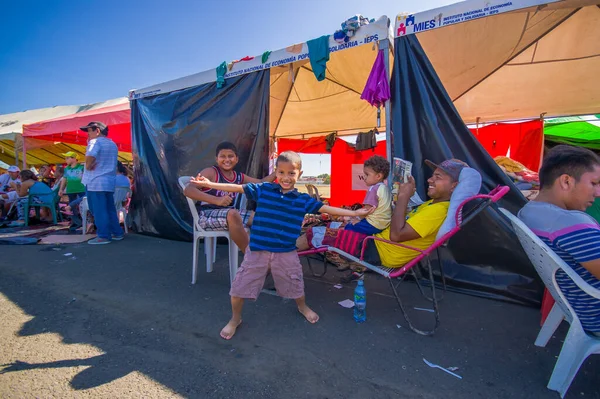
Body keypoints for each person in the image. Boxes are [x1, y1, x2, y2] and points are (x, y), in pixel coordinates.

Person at [191, 151, 373, 340]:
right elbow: (237, 188)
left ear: (299, 174)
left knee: (295, 284)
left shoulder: (302, 200)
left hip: (286, 253)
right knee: (238, 289)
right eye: (282, 172)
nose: (286, 178)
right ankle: (235, 319)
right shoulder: (264, 189)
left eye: (291, 173)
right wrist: (209, 184)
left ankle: (302, 307)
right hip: (257, 251)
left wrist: (354, 214)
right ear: (276, 173)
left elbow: (326, 209)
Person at [340, 158, 468, 282]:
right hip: (376, 242)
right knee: (335, 229)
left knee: (323, 234)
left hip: (378, 250)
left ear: (454, 186)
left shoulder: (439, 211)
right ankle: (354, 266)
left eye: (438, 177)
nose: (429, 180)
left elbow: (396, 235)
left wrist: (403, 196)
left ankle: (352, 264)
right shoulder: (431, 204)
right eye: (432, 176)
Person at [518, 145, 600, 337]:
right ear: (566, 181)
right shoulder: (570, 222)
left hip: (576, 305)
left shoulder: (528, 212)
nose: (597, 193)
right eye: (594, 183)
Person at [183, 141, 276, 253]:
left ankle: (272, 254)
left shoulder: (238, 176)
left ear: (236, 159)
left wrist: (279, 171)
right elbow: (188, 190)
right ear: (216, 159)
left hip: (230, 213)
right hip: (206, 216)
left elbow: (261, 182)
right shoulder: (210, 172)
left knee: (263, 217)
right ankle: (251, 257)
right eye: (222, 156)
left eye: (230, 156)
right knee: (233, 213)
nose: (227, 159)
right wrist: (216, 200)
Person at [80, 121, 123, 244]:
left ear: (97, 130)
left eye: (89, 131)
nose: (87, 134)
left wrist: (88, 165)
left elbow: (91, 156)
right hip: (108, 181)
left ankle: (103, 235)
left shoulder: (94, 142)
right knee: (110, 208)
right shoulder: (112, 144)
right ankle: (117, 232)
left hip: (95, 181)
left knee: (98, 209)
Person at [344, 155, 392, 235]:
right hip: (384, 224)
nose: (364, 177)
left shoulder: (373, 189)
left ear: (378, 176)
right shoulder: (385, 188)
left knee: (349, 227)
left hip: (373, 225)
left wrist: (357, 219)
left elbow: (367, 210)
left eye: (367, 174)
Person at [59, 152, 86, 231]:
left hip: (81, 189)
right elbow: (64, 179)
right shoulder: (67, 169)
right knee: (72, 207)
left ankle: (86, 222)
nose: (66, 160)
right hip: (71, 190)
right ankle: (76, 222)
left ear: (74, 158)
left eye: (68, 158)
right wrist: (61, 189)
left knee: (83, 206)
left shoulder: (82, 167)